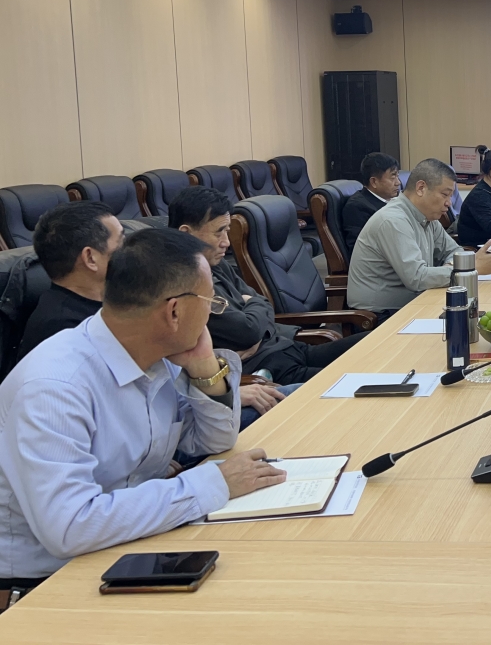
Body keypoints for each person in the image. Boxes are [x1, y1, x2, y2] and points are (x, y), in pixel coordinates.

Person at [0, 228, 287, 598]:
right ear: (174, 311)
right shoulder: (55, 386)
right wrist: (215, 482)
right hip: (48, 582)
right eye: (211, 302)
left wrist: (205, 368)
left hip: (127, 542)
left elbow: (213, 440)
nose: (212, 313)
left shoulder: (155, 354)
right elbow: (69, 527)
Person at [170, 187, 370, 398]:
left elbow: (263, 302)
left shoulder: (215, 263)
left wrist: (255, 317)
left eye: (227, 231)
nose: (226, 242)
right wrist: (253, 313)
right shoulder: (183, 284)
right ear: (186, 233)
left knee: (375, 346)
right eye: (218, 232)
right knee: (362, 385)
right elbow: (247, 332)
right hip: (272, 370)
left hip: (289, 346)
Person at [348, 158, 491, 312]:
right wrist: (468, 268)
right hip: (382, 314)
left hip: (417, 301)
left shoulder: (428, 217)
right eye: (445, 195)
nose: (449, 203)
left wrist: (456, 266)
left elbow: (453, 251)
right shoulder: (393, 220)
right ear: (421, 188)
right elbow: (417, 278)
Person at [19, 202, 124, 359]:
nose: (130, 249)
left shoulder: (115, 297)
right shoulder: (63, 331)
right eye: (121, 241)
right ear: (90, 258)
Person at [342, 152, 401, 255]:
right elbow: (360, 250)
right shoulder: (358, 207)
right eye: (393, 177)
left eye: (397, 176)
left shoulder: (396, 199)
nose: (398, 182)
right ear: (374, 182)